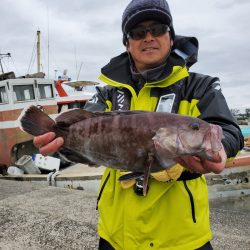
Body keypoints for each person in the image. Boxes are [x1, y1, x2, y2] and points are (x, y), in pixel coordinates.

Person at [34, 0, 244, 249]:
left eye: (157, 29)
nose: (148, 37)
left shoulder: (200, 86)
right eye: (137, 32)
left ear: (171, 37)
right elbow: (84, 126)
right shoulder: (107, 93)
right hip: (115, 234)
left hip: (181, 238)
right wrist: (59, 139)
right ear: (127, 42)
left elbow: (229, 131)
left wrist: (221, 149)